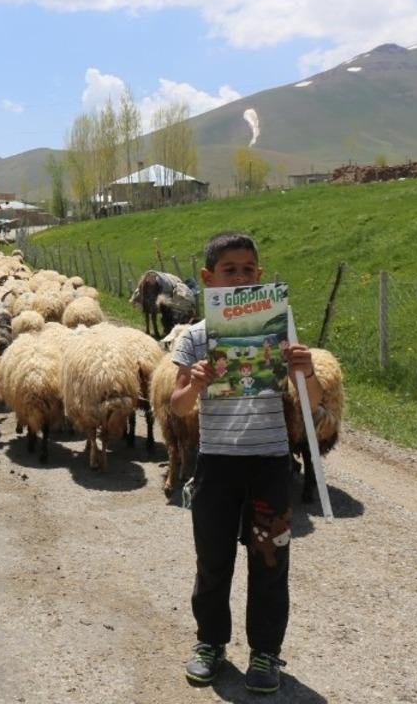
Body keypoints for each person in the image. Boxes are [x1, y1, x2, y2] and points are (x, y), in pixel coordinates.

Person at [170, 232, 322, 694]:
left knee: (269, 561)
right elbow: (177, 406)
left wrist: (306, 370)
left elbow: (311, 405)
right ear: (207, 278)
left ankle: (265, 653)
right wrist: (194, 383)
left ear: (260, 274)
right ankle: (210, 643)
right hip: (216, 465)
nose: (239, 277)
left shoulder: (281, 329)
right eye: (228, 270)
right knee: (212, 561)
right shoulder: (196, 338)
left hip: (270, 464)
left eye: (248, 270)